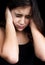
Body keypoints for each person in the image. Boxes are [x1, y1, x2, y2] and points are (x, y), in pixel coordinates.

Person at [0, 0, 45, 64]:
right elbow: (12, 58)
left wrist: (33, 24)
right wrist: (9, 21)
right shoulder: (1, 31)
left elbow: (44, 56)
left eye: (27, 16)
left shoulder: (31, 33)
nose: (22, 22)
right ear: (8, 12)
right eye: (18, 15)